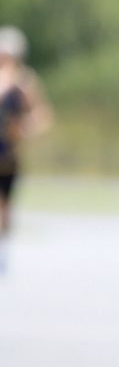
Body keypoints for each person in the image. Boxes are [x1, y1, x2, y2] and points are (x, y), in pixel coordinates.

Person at [0, 26, 53, 235]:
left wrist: (24, 128)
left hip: (8, 156)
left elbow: (42, 115)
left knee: (5, 209)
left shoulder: (23, 81)